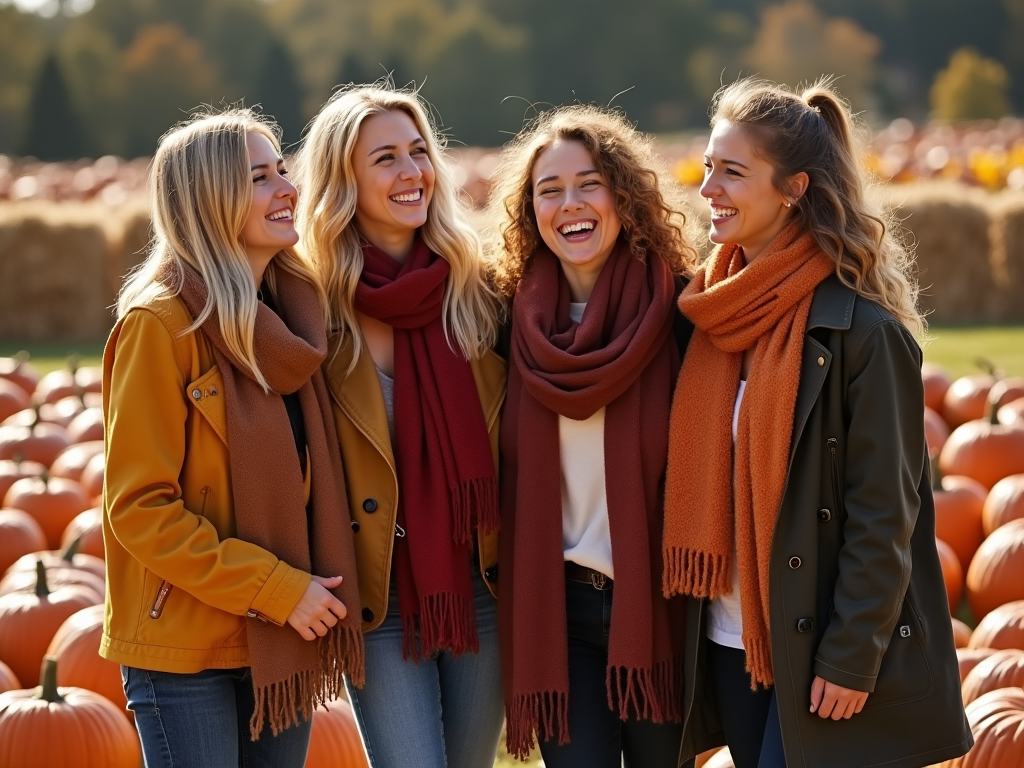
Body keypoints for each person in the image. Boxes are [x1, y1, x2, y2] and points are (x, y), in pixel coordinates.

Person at [662, 78, 973, 768]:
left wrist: (853, 653)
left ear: (794, 188)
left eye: (733, 172)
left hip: (817, 649)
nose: (708, 187)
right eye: (709, 166)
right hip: (729, 641)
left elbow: (885, 511)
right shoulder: (710, 318)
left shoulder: (863, 333)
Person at [101, 109, 364, 768]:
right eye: (260, 178)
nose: (289, 189)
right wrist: (278, 589)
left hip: (280, 642)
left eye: (283, 170)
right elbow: (140, 510)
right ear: (209, 200)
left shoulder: (292, 325)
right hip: (187, 652)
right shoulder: (160, 326)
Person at [292, 85, 505, 768]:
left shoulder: (480, 291)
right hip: (378, 598)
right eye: (385, 158)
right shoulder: (310, 312)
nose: (412, 173)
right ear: (342, 180)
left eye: (419, 152)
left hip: (482, 583)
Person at [487, 104, 698, 768]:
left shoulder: (683, 315)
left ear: (623, 195)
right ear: (531, 211)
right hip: (560, 610)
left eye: (589, 184)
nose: (569, 204)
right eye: (549, 190)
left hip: (662, 610)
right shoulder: (505, 327)